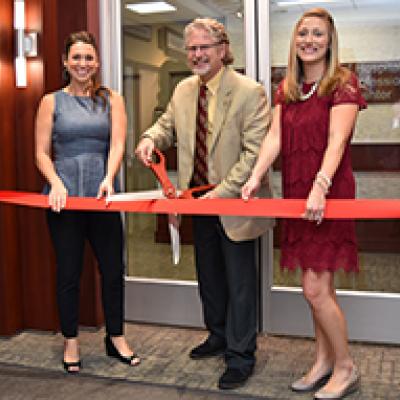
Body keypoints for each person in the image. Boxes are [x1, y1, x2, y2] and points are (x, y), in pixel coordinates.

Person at [135, 18, 273, 390]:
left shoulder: (250, 91)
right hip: (196, 202)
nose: (196, 54)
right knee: (209, 277)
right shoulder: (182, 90)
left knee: (240, 282)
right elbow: (166, 125)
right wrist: (150, 139)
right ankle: (218, 336)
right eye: (191, 48)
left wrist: (221, 194)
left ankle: (241, 355)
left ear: (223, 49)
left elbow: (255, 154)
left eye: (204, 48)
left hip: (235, 203)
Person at [242, 8, 366, 400]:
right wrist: (255, 176)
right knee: (315, 287)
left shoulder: (342, 84)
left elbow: (337, 142)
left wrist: (321, 186)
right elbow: (275, 139)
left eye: (317, 34)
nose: (309, 40)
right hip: (298, 192)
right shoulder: (288, 88)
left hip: (327, 193)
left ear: (330, 41)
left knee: (315, 290)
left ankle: (345, 366)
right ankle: (324, 360)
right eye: (303, 34)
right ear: (294, 40)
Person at [35, 31, 140, 373]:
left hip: (102, 195)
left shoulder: (113, 99)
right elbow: (41, 153)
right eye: (76, 57)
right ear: (66, 62)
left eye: (89, 58)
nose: (83, 63)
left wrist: (109, 178)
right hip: (63, 198)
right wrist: (54, 184)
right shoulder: (51, 101)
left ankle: (116, 337)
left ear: (97, 62)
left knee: (112, 270)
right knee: (69, 272)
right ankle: (71, 341)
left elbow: (117, 146)